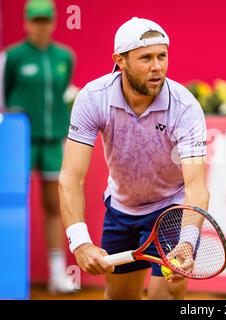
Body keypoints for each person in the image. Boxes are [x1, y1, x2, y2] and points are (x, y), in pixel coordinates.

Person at [59, 17, 209, 300]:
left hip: (171, 211)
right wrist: (80, 242)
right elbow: (70, 177)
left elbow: (197, 187)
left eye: (162, 56)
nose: (157, 66)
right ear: (120, 61)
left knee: (164, 297)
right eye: (146, 58)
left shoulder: (185, 107)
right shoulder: (93, 98)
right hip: (122, 209)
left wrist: (187, 243)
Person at [0, 0, 75, 294]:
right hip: (18, 142)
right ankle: (8, 273)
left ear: (54, 22)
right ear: (25, 23)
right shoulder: (13, 57)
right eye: (35, 21)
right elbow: (5, 97)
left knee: (53, 204)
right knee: (11, 204)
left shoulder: (64, 57)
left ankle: (58, 275)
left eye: (45, 20)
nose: (40, 27)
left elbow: (63, 93)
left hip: (53, 139)